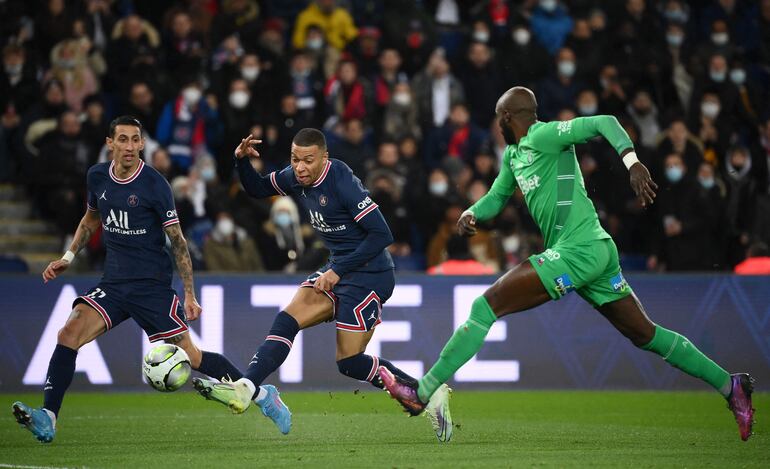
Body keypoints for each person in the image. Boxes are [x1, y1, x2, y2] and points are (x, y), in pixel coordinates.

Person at [379, 87, 755, 442]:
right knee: (646, 335)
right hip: (591, 251)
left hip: (580, 249)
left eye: (498, 119)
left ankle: (422, 391)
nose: (496, 126)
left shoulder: (547, 135)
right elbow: (496, 198)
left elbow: (604, 121)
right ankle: (730, 385)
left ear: (508, 117)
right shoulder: (513, 156)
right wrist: (472, 212)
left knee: (485, 305)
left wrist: (633, 162)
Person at [11, 116, 289, 443]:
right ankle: (48, 418)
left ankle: (261, 395)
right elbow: (90, 220)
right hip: (113, 284)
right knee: (68, 333)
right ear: (109, 143)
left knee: (193, 357)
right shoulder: (97, 176)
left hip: (151, 288)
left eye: (135, 140)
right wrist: (68, 257)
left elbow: (179, 241)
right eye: (123, 140)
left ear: (142, 144)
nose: (129, 147)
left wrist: (188, 294)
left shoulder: (155, 185)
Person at [191, 128, 453, 442]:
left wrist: (339, 270)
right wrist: (241, 162)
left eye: (307, 160)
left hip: (370, 273)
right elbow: (258, 189)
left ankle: (427, 392)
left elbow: (382, 235)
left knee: (349, 363)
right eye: (295, 159)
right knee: (287, 318)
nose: (299, 167)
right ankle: (248, 388)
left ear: (324, 158)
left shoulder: (340, 180)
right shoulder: (296, 177)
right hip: (339, 266)